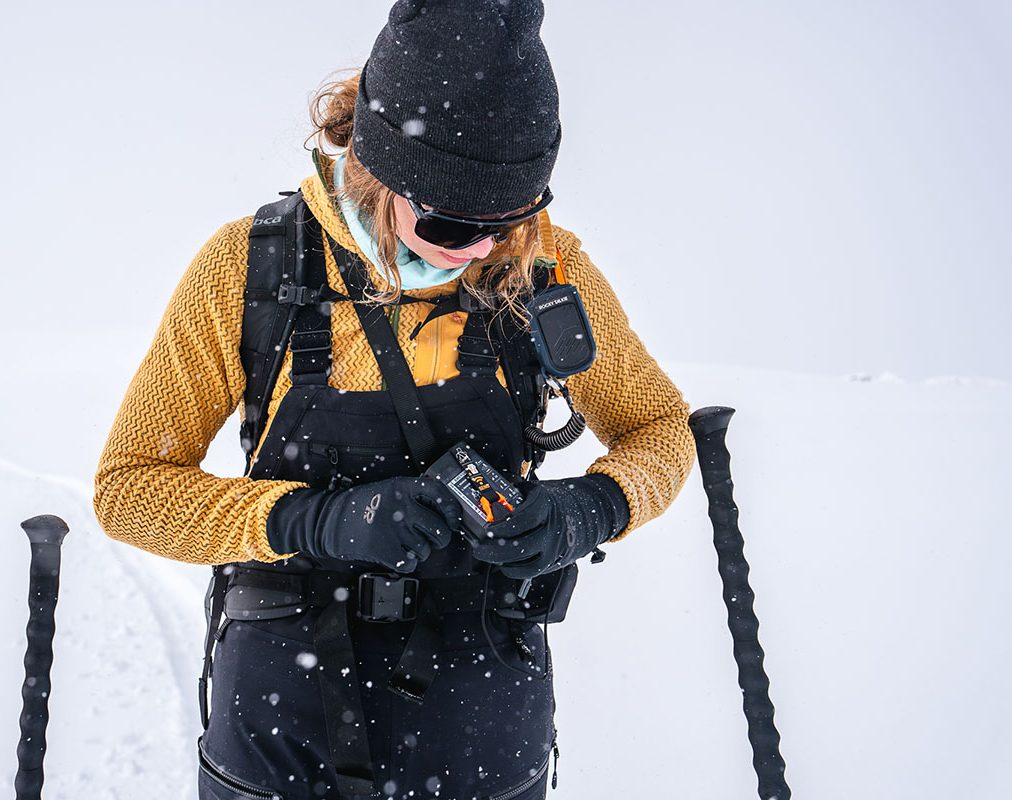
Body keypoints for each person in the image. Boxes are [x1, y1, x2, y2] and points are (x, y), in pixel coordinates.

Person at [94, 1, 695, 798]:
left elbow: (662, 430)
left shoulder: (545, 270)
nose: (481, 249)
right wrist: (306, 521)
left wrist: (593, 507)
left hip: (483, 716)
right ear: (377, 171)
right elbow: (128, 490)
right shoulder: (248, 270)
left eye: (512, 218)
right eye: (450, 223)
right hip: (285, 722)